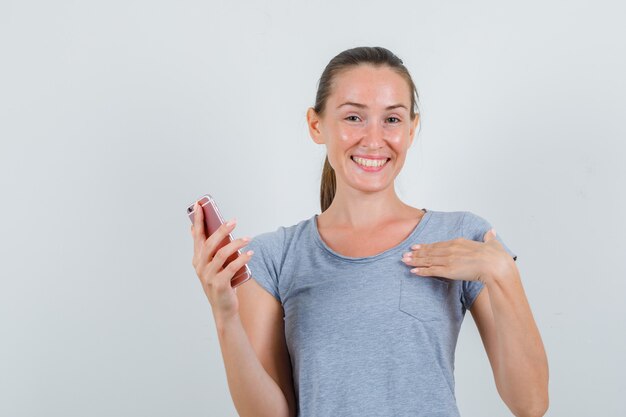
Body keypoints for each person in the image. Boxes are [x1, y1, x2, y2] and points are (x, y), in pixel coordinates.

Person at [190, 46, 549, 417]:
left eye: (392, 120)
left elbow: (531, 404)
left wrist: (504, 273)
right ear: (316, 125)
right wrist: (224, 316)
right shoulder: (274, 257)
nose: (374, 139)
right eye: (353, 117)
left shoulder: (463, 236)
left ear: (412, 129)